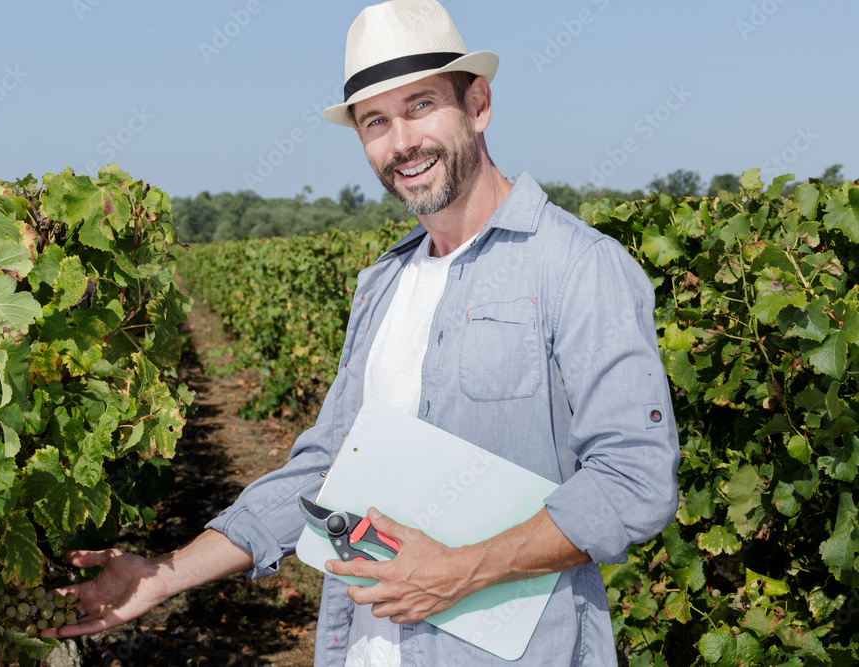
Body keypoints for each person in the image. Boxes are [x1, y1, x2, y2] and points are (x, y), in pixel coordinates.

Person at [42, 1, 680, 664]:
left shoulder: (578, 266)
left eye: (422, 105)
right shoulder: (383, 283)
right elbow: (324, 472)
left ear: (479, 103)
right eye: (376, 121)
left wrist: (463, 567)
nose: (401, 141)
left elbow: (633, 479)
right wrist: (163, 574)